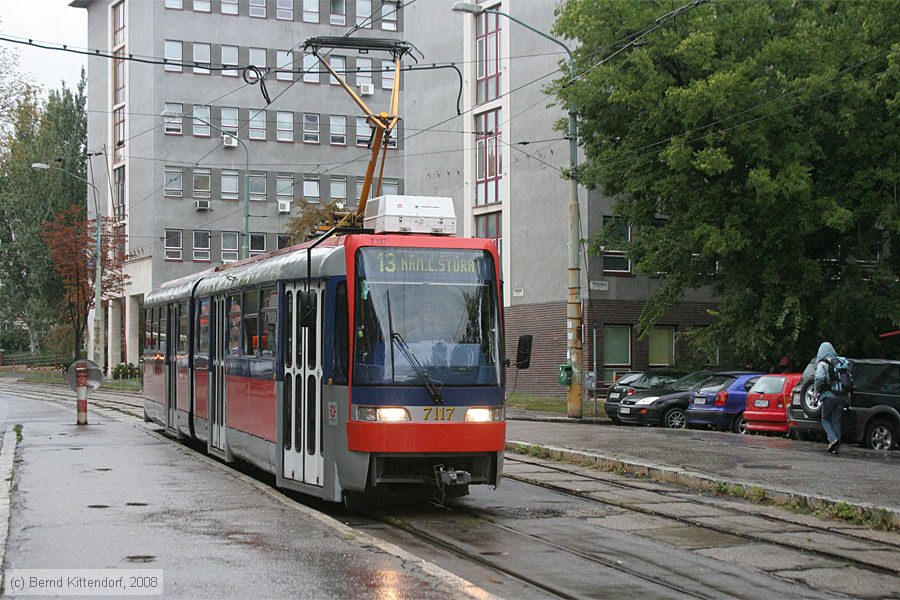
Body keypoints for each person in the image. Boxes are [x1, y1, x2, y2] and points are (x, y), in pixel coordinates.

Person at [814, 341, 844, 454]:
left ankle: (833, 439)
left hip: (829, 396)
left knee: (825, 419)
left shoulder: (823, 364)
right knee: (836, 421)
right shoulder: (840, 362)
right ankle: (836, 447)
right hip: (841, 396)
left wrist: (817, 391)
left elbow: (819, 379)